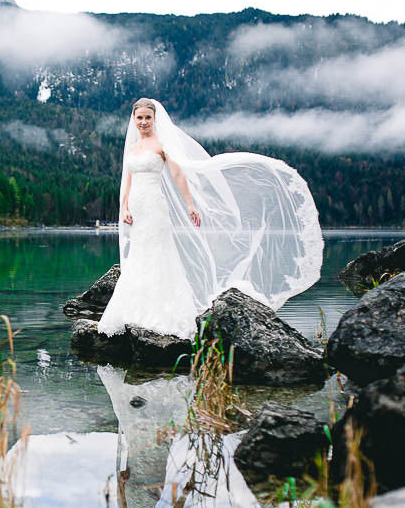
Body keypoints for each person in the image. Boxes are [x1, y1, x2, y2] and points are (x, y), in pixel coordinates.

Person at [97, 98, 323, 340]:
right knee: (140, 254)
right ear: (134, 119)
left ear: (154, 119)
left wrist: (190, 204)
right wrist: (124, 209)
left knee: (159, 254)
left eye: (147, 117)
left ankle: (165, 313)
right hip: (136, 207)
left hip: (154, 206)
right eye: (139, 117)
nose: (143, 122)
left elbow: (177, 174)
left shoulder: (161, 144)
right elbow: (128, 181)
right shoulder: (132, 148)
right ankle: (134, 309)